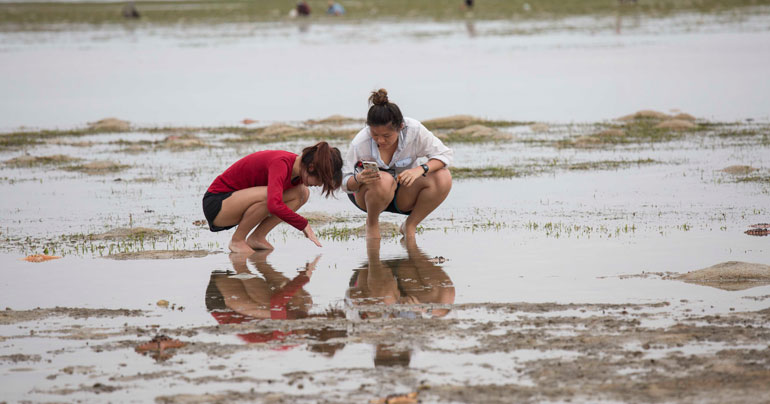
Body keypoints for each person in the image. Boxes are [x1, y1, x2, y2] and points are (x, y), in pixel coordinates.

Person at [342, 89, 453, 239]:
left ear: (400, 127)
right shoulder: (360, 142)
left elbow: (444, 154)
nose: (380, 140)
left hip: (402, 194)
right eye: (375, 135)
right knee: (384, 180)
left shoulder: (414, 130)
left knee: (443, 176)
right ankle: (372, 224)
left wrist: (420, 169)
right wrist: (359, 179)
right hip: (367, 197)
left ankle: (410, 226)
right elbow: (343, 182)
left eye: (387, 136)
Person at [203, 142, 343, 253]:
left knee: (302, 193)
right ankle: (237, 240)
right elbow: (273, 204)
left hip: (236, 205)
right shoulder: (281, 163)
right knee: (270, 196)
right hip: (218, 204)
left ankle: (257, 237)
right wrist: (303, 224)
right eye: (320, 180)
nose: (319, 185)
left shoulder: (298, 173)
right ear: (311, 167)